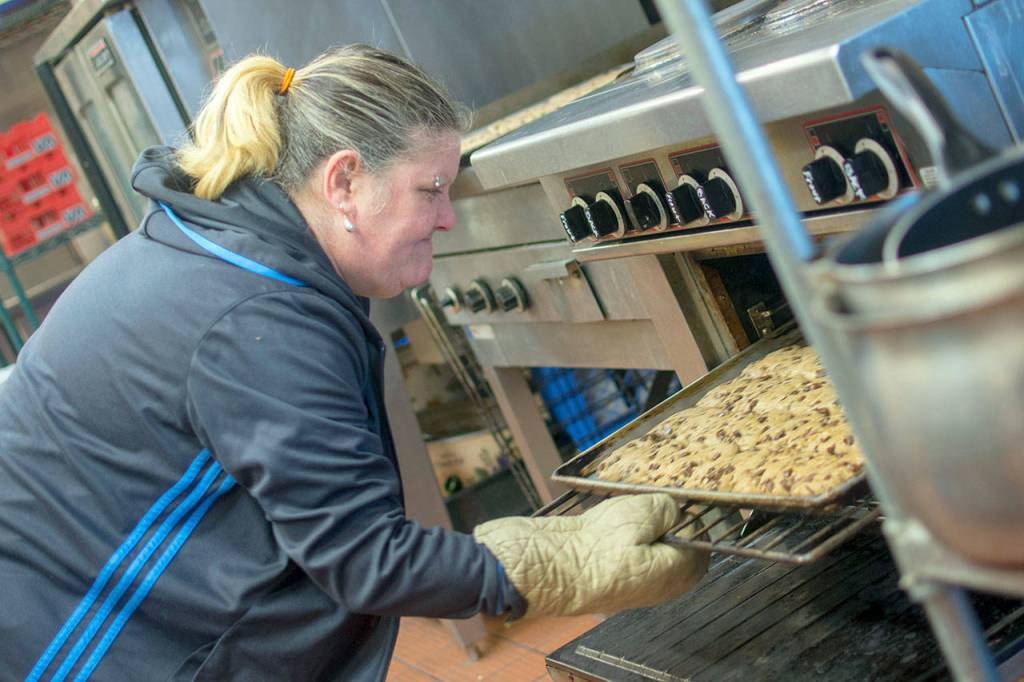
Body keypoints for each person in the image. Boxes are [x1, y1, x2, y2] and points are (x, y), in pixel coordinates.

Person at [0, 45, 707, 681]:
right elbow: (362, 558)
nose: (447, 218)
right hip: (76, 643)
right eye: (430, 189)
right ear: (343, 182)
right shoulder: (254, 312)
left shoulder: (224, 247)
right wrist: (551, 563)